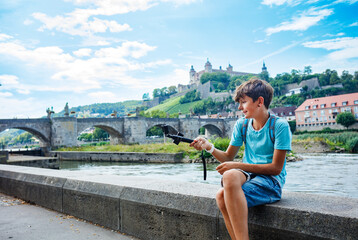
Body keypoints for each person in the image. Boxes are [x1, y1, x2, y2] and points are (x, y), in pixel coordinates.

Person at [190, 77, 292, 240]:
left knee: (223, 192)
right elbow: (228, 157)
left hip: (271, 181)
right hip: (250, 177)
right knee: (224, 187)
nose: (240, 107)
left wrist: (238, 165)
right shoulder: (242, 125)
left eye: (243, 102)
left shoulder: (279, 126)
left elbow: (276, 168)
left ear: (259, 101)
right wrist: (208, 147)